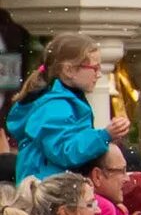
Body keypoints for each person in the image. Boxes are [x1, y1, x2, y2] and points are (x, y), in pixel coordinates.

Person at [9, 39, 110, 187]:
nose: (98, 74)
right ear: (68, 70)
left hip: (54, 189)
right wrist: (104, 136)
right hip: (47, 192)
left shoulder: (63, 101)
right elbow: (65, 152)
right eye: (94, 68)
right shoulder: (55, 106)